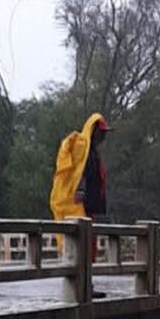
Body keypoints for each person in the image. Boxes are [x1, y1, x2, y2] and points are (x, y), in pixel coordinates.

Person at [48, 112, 113, 297]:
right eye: (101, 133)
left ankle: (86, 286)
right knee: (79, 247)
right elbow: (79, 171)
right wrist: (80, 190)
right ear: (93, 131)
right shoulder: (82, 147)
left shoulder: (91, 150)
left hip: (88, 208)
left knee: (88, 248)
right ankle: (79, 287)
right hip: (79, 207)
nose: (103, 137)